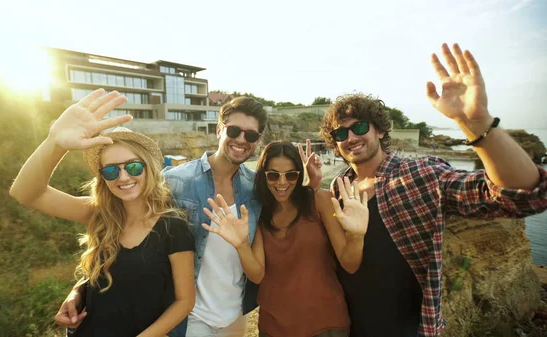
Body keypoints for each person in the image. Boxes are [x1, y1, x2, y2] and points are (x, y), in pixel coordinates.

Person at [319, 43, 547, 337]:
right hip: (346, 325)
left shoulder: (420, 175)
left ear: (380, 129)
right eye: (340, 133)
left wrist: (476, 123)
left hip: (408, 328)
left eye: (360, 127)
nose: (350, 137)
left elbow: (522, 196)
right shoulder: (338, 189)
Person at [56, 96, 275, 337]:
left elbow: (260, 262)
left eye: (251, 135)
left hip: (234, 315)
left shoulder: (257, 189)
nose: (242, 140)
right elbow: (122, 227)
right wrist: (82, 288)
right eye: (234, 130)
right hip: (190, 318)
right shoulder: (174, 180)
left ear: (258, 140)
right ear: (219, 129)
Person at [9, 89, 195, 337]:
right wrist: (54, 142)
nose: (124, 177)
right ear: (102, 178)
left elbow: (185, 301)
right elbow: (25, 193)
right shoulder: (98, 213)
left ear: (148, 167)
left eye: (133, 166)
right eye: (111, 171)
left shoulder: (173, 226)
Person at [201, 141, 369, 337]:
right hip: (274, 327)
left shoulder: (320, 201)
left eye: (290, 175)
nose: (282, 183)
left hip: (326, 324)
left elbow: (349, 264)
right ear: (263, 176)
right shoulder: (259, 211)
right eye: (273, 175)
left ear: (299, 174)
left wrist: (357, 236)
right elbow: (257, 275)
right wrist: (241, 245)